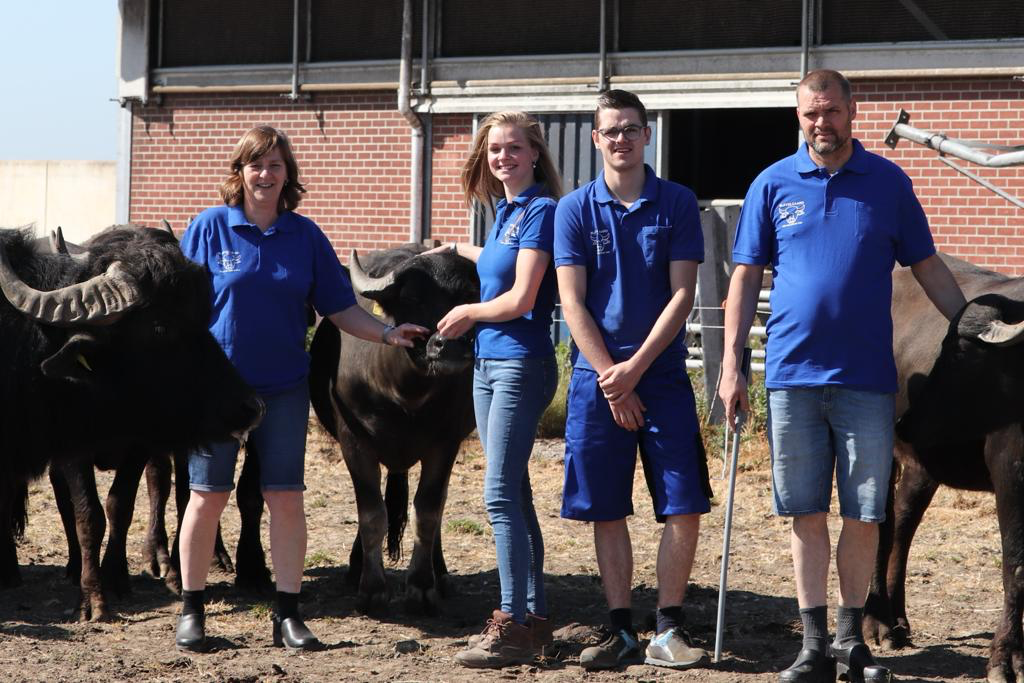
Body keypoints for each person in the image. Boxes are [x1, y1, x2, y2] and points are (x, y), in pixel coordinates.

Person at [718, 70, 966, 683]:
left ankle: (852, 641)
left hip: (865, 379)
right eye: (809, 114)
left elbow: (927, 265)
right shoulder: (771, 184)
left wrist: (967, 327)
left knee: (863, 512)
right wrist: (731, 363)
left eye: (830, 111)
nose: (820, 122)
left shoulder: (888, 183)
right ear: (797, 117)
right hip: (791, 376)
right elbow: (745, 277)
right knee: (804, 512)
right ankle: (811, 644)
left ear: (851, 110)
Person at [174, 125, 426, 653]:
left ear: (288, 176)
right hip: (215, 391)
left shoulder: (306, 236)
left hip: (284, 389)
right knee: (206, 497)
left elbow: (339, 309)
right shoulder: (208, 228)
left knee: (284, 499)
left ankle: (288, 613)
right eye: (255, 165)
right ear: (239, 172)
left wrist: (386, 331)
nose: (265, 175)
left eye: (275, 166)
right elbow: (181, 312)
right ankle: (193, 610)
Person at [553, 89, 710, 671]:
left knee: (683, 501)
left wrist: (634, 371)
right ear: (596, 139)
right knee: (605, 506)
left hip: (662, 375)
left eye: (631, 129)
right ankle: (620, 629)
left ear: (648, 136)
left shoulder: (677, 202)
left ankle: (668, 628)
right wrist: (609, 379)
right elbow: (571, 303)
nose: (621, 138)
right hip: (596, 380)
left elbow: (683, 295)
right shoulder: (573, 210)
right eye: (610, 130)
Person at [427, 111, 562, 669]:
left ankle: (510, 623)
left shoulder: (541, 210)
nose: (502, 157)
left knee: (499, 495)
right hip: (489, 364)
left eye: (513, 148)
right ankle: (532, 620)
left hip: (519, 364)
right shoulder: (505, 213)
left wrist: (466, 311)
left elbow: (522, 298)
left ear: (534, 154)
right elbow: (501, 264)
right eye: (494, 150)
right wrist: (458, 248)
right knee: (516, 491)